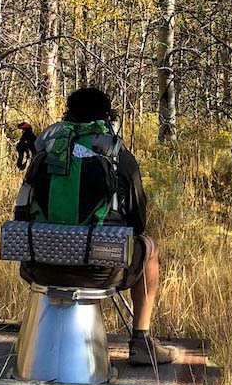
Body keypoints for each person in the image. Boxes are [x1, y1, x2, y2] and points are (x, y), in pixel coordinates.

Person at [17, 87, 178, 366]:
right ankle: (141, 340)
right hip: (100, 272)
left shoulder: (45, 153)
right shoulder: (117, 155)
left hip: (38, 268)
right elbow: (137, 223)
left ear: (67, 116)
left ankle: (39, 344)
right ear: (107, 117)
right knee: (149, 248)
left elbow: (21, 214)